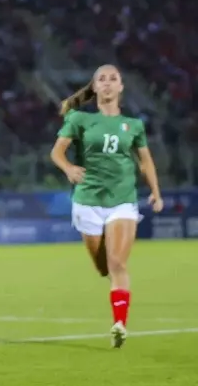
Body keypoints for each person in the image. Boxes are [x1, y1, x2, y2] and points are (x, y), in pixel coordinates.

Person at [50, 64, 163, 348]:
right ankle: (115, 301)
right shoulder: (79, 120)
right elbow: (57, 152)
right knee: (103, 267)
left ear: (121, 87)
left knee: (117, 263)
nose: (109, 83)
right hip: (87, 201)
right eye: (103, 79)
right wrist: (68, 168)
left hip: (122, 200)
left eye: (114, 79)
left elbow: (145, 160)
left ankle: (119, 325)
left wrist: (155, 192)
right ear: (95, 87)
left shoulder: (133, 126)